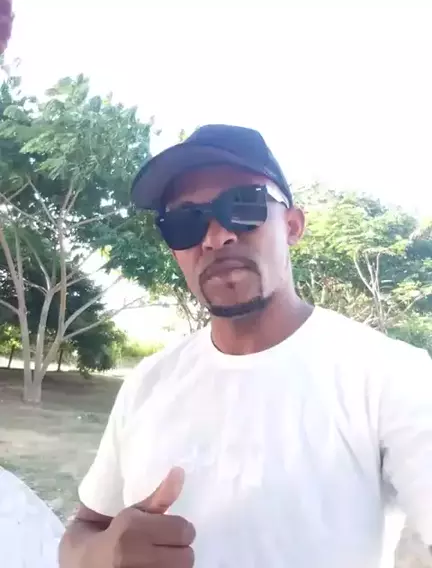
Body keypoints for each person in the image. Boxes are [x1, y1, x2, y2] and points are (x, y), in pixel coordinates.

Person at [59, 125, 432, 568]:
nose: (215, 237)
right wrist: (100, 555)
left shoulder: (390, 375)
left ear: (292, 225)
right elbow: (85, 528)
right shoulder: (147, 383)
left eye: (243, 205)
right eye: (185, 221)